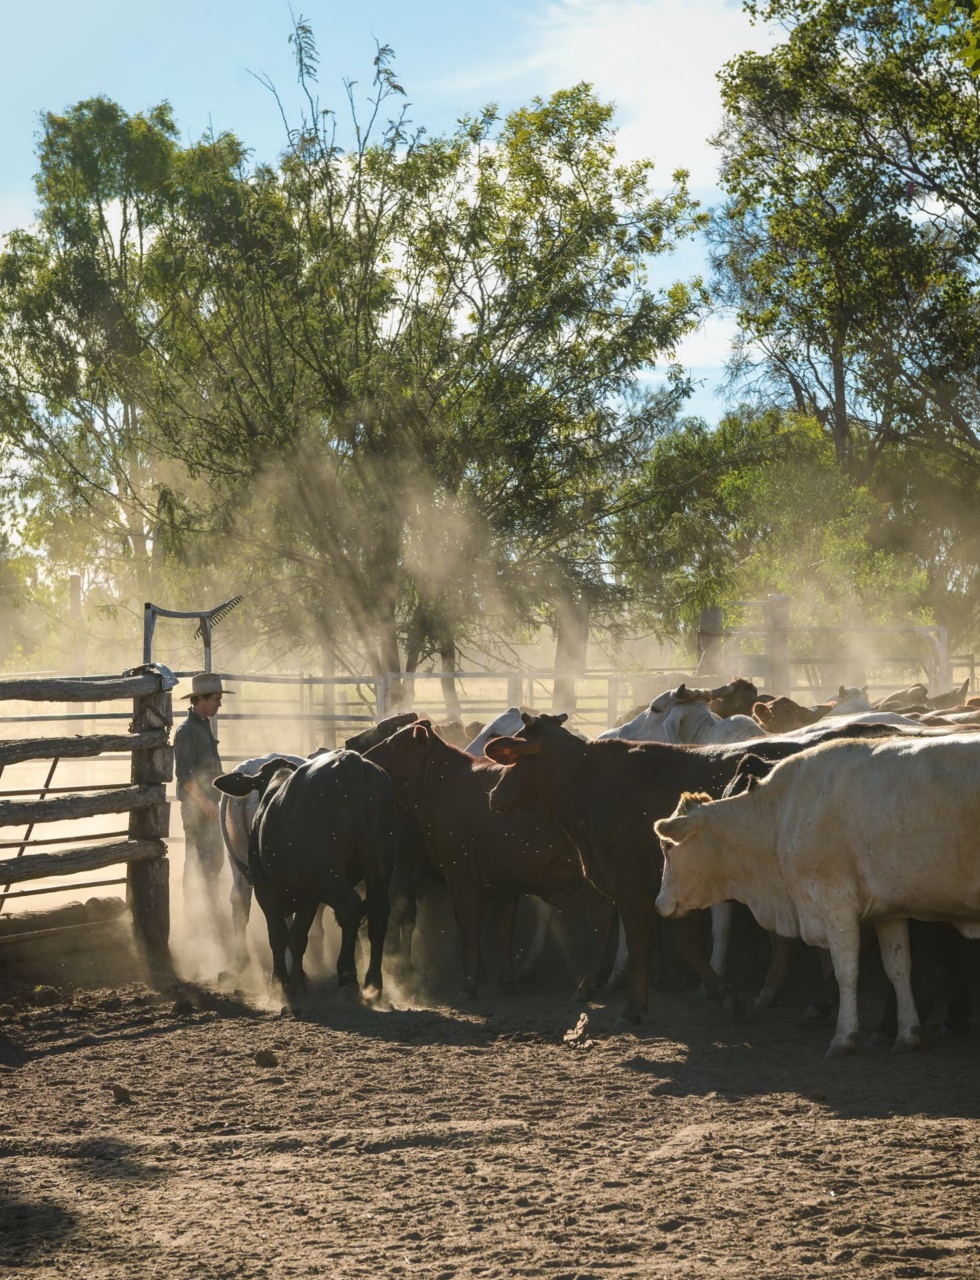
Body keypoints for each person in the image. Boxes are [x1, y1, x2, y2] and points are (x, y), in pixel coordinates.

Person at [173, 672, 234, 941]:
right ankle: (197, 919)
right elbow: (186, 777)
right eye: (215, 699)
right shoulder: (187, 731)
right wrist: (206, 803)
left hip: (208, 806)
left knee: (214, 860)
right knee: (198, 861)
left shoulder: (203, 727)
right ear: (201, 699)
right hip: (197, 809)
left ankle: (211, 912)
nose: (219, 705)